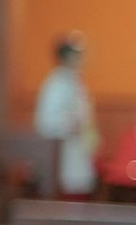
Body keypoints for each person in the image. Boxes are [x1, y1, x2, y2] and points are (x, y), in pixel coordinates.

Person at [33, 32, 100, 197]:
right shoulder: (56, 84)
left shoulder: (74, 81)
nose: (83, 59)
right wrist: (72, 124)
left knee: (79, 192)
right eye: (77, 54)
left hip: (77, 148)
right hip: (64, 151)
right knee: (66, 196)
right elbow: (46, 121)